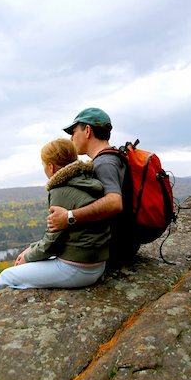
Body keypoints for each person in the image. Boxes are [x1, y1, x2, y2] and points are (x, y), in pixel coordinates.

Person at [0, 138, 111, 292]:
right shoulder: (88, 180)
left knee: (6, 276)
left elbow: (52, 242)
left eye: (43, 165)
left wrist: (27, 257)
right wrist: (31, 248)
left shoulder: (60, 190)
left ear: (51, 167)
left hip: (78, 269)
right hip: (97, 265)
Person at [47, 108, 140, 264]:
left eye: (73, 132)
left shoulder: (104, 163)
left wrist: (69, 217)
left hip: (114, 251)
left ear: (88, 130)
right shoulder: (114, 156)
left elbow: (114, 203)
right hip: (125, 245)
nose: (71, 138)